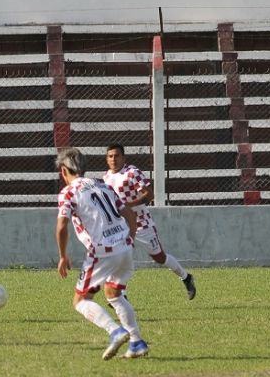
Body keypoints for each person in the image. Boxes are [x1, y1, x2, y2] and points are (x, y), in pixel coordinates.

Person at [55, 147, 149, 360]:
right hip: (124, 247)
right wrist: (129, 239)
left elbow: (62, 225)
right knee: (114, 294)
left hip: (103, 251)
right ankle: (137, 343)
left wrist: (63, 255)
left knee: (80, 301)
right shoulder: (102, 184)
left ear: (63, 171)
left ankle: (115, 331)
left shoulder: (68, 192)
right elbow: (128, 213)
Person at [103, 144, 196, 300]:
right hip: (121, 226)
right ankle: (121, 295)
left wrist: (127, 206)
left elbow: (149, 195)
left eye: (117, 155)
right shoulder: (106, 177)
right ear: (107, 159)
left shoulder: (132, 173)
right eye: (110, 156)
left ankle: (186, 277)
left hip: (141, 224)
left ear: (123, 158)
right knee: (120, 256)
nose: (113, 159)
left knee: (159, 257)